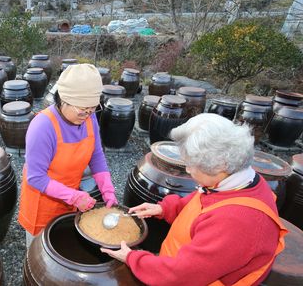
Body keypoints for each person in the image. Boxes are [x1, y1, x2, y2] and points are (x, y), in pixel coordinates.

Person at [101, 113, 288, 286]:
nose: (188, 170)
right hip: (183, 262)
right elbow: (202, 202)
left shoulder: (236, 223)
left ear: (221, 165)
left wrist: (133, 258)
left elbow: (181, 275)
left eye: (191, 165)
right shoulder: (237, 180)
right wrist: (165, 209)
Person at [18, 63, 117, 247]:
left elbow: (96, 155)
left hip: (69, 196)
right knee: (39, 254)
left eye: (92, 108)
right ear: (63, 99)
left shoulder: (89, 117)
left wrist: (108, 190)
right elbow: (35, 177)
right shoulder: (43, 127)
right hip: (43, 202)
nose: (87, 114)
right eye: (82, 109)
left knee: (62, 246)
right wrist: (75, 197)